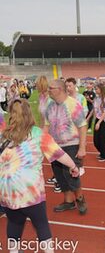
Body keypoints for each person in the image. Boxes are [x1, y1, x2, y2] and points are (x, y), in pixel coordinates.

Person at [0, 99, 79, 253]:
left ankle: (14, 251)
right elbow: (59, 154)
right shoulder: (38, 134)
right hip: (30, 191)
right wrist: (73, 166)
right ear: (30, 113)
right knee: (41, 223)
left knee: (14, 222)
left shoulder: (4, 135)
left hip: (7, 190)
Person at [44, 79, 87, 215]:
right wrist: (41, 142)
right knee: (59, 176)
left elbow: (82, 126)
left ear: (60, 89)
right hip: (54, 146)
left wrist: (82, 147)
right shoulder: (49, 106)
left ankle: (80, 198)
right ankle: (68, 201)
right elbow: (46, 125)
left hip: (71, 145)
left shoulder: (73, 104)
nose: (48, 90)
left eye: (51, 88)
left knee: (71, 175)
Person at [93, 83, 105, 162]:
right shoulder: (96, 99)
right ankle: (102, 152)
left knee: (104, 139)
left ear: (101, 89)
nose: (95, 90)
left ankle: (104, 155)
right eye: (95, 89)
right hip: (98, 119)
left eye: (96, 89)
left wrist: (99, 123)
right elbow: (94, 110)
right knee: (96, 140)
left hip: (104, 120)